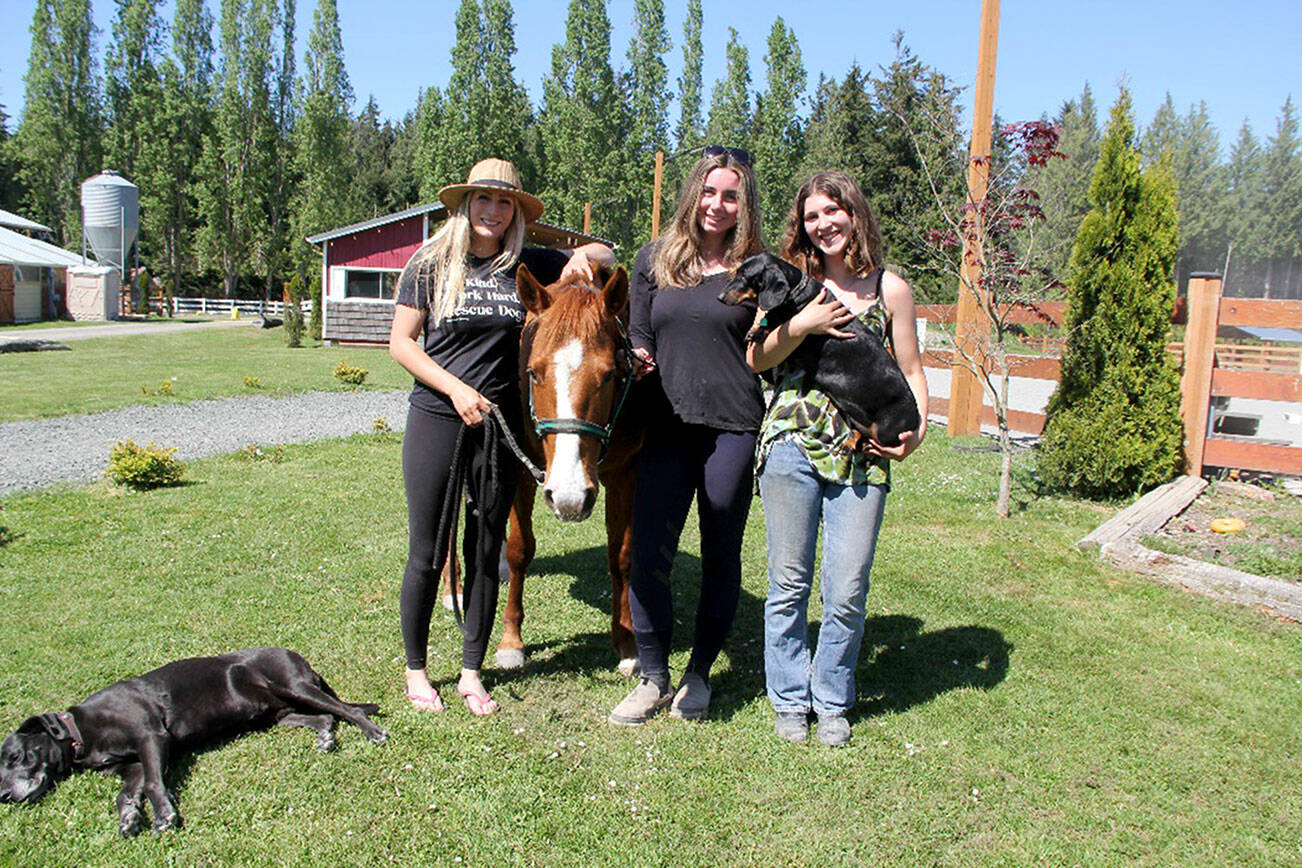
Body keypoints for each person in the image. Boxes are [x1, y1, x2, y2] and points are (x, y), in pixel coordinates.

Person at [390, 158, 613, 716]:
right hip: (439, 416)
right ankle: (417, 672)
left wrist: (583, 256)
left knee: (487, 546)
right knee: (427, 549)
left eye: (504, 203)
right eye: (483, 200)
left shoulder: (527, 262)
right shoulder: (430, 264)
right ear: (464, 205)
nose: (492, 211)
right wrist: (456, 390)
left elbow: (605, 254)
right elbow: (402, 343)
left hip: (500, 424)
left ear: (515, 212)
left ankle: (471, 670)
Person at [747, 170, 929, 746]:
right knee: (788, 583)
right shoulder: (790, 282)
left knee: (846, 587)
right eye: (811, 216)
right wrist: (804, 323)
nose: (823, 224)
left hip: (862, 455)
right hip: (792, 444)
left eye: (833, 211)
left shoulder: (891, 289)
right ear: (801, 227)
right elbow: (755, 357)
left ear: (854, 214)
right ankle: (789, 700)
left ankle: (831, 699)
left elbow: (913, 372)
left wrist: (916, 431)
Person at [609, 146, 765, 725]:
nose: (717, 205)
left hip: (732, 426)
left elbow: (773, 348)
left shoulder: (756, 268)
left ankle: (698, 674)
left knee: (721, 552)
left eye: (730, 195)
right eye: (708, 191)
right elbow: (639, 334)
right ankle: (653, 676)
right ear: (691, 193)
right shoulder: (655, 259)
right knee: (647, 553)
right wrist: (638, 356)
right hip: (666, 425)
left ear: (742, 203)